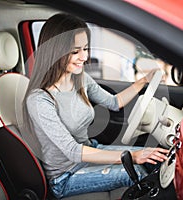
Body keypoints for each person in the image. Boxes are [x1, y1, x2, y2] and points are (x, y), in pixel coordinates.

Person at [20, 13, 169, 199]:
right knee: (137, 172)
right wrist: (134, 156)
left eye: (85, 48)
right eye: (75, 51)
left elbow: (114, 103)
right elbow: (73, 151)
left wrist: (144, 81)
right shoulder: (39, 100)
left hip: (91, 150)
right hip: (65, 176)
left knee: (157, 159)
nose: (84, 56)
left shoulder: (80, 79)